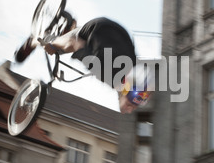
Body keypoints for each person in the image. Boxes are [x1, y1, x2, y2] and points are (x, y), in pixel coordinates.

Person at [14, 16, 152, 114]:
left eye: (134, 107)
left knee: (87, 44)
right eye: (130, 105)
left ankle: (70, 27)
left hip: (116, 32)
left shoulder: (130, 71)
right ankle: (34, 40)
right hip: (97, 29)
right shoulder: (106, 74)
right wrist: (52, 46)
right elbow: (77, 44)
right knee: (63, 45)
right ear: (125, 90)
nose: (130, 110)